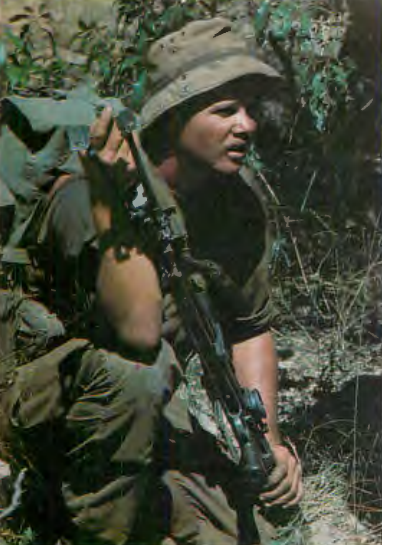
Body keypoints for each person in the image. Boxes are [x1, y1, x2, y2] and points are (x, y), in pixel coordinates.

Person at [0, 18, 302, 544]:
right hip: (36, 410)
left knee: (260, 534)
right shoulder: (84, 197)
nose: (248, 125)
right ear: (172, 117)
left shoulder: (236, 202)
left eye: (250, 108)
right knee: (141, 371)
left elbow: (251, 326)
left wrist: (269, 445)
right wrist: (109, 205)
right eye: (226, 110)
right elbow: (138, 333)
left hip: (138, 417)